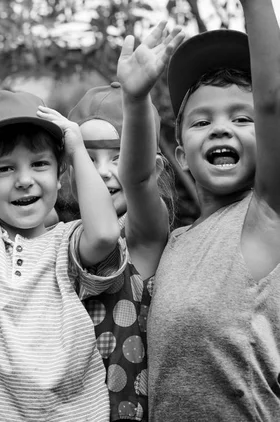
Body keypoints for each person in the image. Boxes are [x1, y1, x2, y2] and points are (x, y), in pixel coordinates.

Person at [0, 40, 128, 422]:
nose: (24, 180)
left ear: (60, 173)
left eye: (39, 164)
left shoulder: (65, 242)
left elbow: (103, 235)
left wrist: (76, 147)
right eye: (4, 169)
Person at [148, 0, 280, 419]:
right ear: (182, 154)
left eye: (243, 118)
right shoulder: (176, 241)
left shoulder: (265, 217)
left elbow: (274, 98)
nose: (221, 127)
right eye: (202, 121)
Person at [67, 22, 184, 421]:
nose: (101, 172)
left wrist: (136, 100)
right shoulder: (55, 240)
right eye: (88, 157)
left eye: (115, 156)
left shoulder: (141, 241)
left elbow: (139, 179)